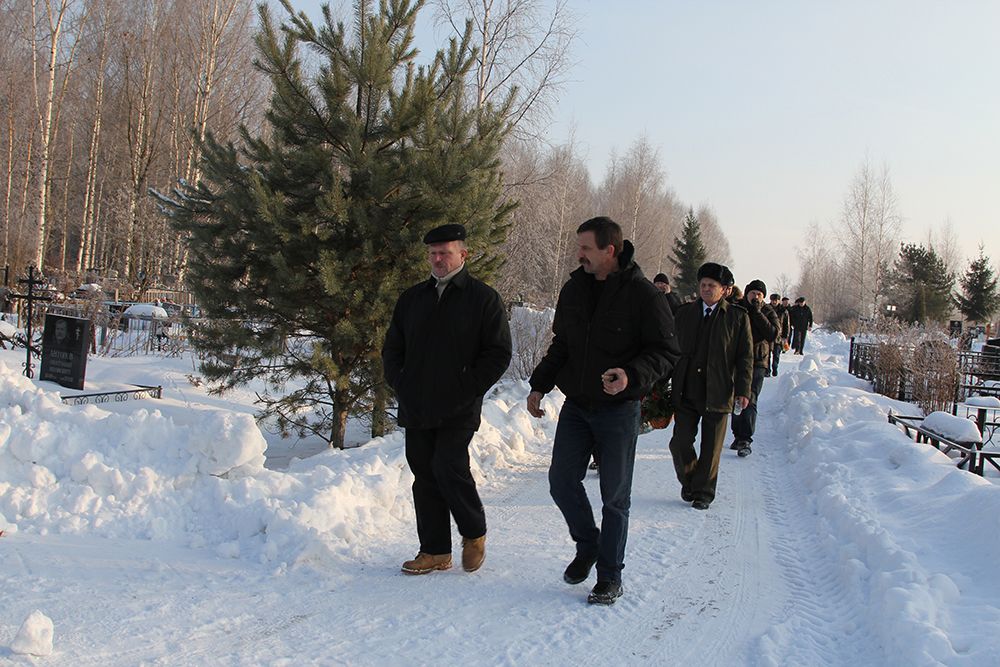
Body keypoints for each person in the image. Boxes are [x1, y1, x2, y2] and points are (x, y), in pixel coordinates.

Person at [527, 216, 678, 605]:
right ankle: (588, 544)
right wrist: (539, 385)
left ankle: (610, 576)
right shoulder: (574, 288)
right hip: (577, 406)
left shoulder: (645, 295)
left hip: (618, 411)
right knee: (561, 482)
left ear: (609, 250)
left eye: (585, 248)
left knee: (615, 498)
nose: (579, 255)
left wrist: (630, 375)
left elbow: (665, 353)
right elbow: (563, 344)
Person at [382, 223, 512, 576]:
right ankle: (435, 550)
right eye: (433, 254)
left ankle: (473, 532)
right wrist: (400, 381)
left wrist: (469, 386)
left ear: (463, 255)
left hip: (458, 405)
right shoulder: (412, 298)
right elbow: (393, 348)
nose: (438, 259)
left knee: (448, 466)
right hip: (417, 403)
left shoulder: (483, 299)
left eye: (446, 253)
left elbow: (499, 353)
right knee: (424, 473)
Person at [667, 262, 752, 510]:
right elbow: (670, 350)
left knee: (711, 447)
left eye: (711, 286)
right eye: (703, 284)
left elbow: (745, 357)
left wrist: (744, 390)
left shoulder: (737, 318)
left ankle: (703, 492)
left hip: (718, 390)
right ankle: (691, 481)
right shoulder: (684, 314)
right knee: (680, 443)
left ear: (725, 290)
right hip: (687, 388)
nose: (705, 289)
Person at [729, 280, 779, 457]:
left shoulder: (767, 311)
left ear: (763, 296)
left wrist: (757, 313)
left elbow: (773, 333)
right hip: (736, 361)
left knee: (750, 399)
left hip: (758, 362)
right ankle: (737, 434)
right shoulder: (737, 308)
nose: (756, 296)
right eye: (753, 293)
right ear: (747, 293)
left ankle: (746, 438)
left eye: (759, 294)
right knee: (736, 398)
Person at [768, 293, 790, 377]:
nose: (774, 302)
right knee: (767, 355)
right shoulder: (767, 309)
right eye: (773, 300)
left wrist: (785, 337)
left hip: (779, 336)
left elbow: (786, 325)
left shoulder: (784, 311)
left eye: (776, 300)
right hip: (768, 334)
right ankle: (767, 370)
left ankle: (775, 368)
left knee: (776, 354)